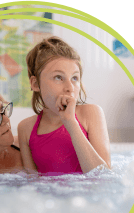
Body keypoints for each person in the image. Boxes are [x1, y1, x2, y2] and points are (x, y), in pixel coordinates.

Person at [18, 36, 111, 176]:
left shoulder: (91, 114)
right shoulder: (25, 129)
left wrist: (71, 123)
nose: (70, 88)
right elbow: (32, 183)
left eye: (75, 78)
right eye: (58, 77)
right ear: (35, 84)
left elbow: (103, 176)